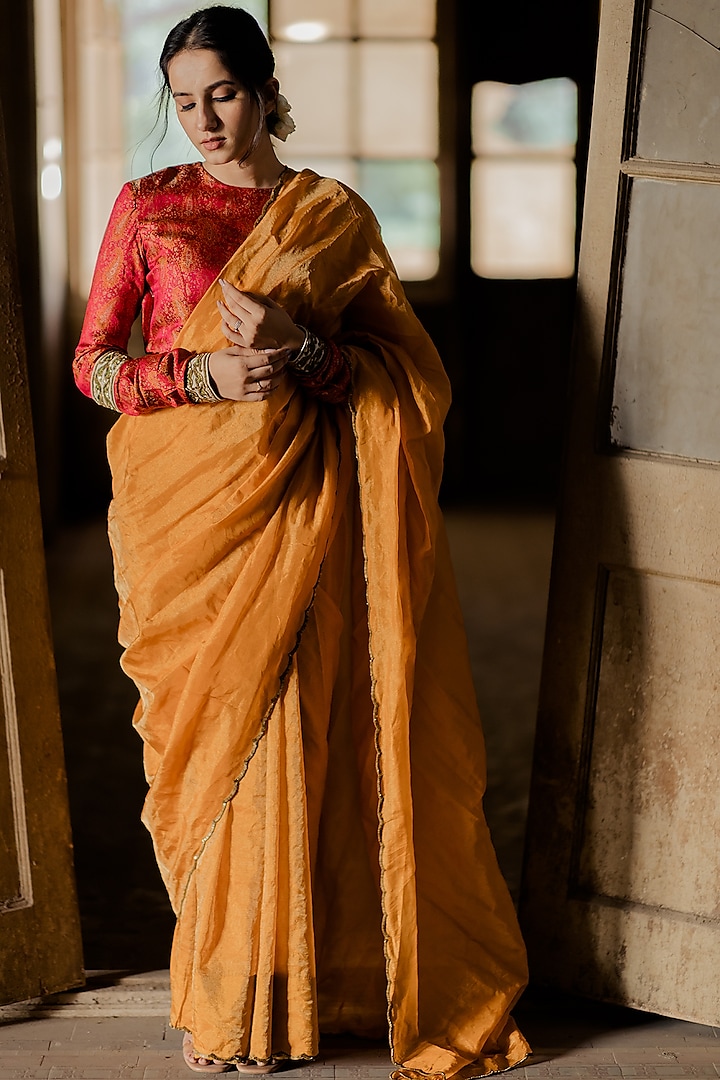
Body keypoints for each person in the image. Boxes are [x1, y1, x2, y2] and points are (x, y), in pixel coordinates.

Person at [74, 6, 531, 1077]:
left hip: (311, 515)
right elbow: (95, 365)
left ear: (267, 91)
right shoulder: (147, 210)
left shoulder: (329, 215)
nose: (204, 121)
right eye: (183, 102)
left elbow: (409, 380)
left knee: (305, 738)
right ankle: (232, 993)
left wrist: (305, 348)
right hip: (187, 528)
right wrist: (195, 376)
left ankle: (311, 990)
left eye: (223, 95)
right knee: (211, 748)